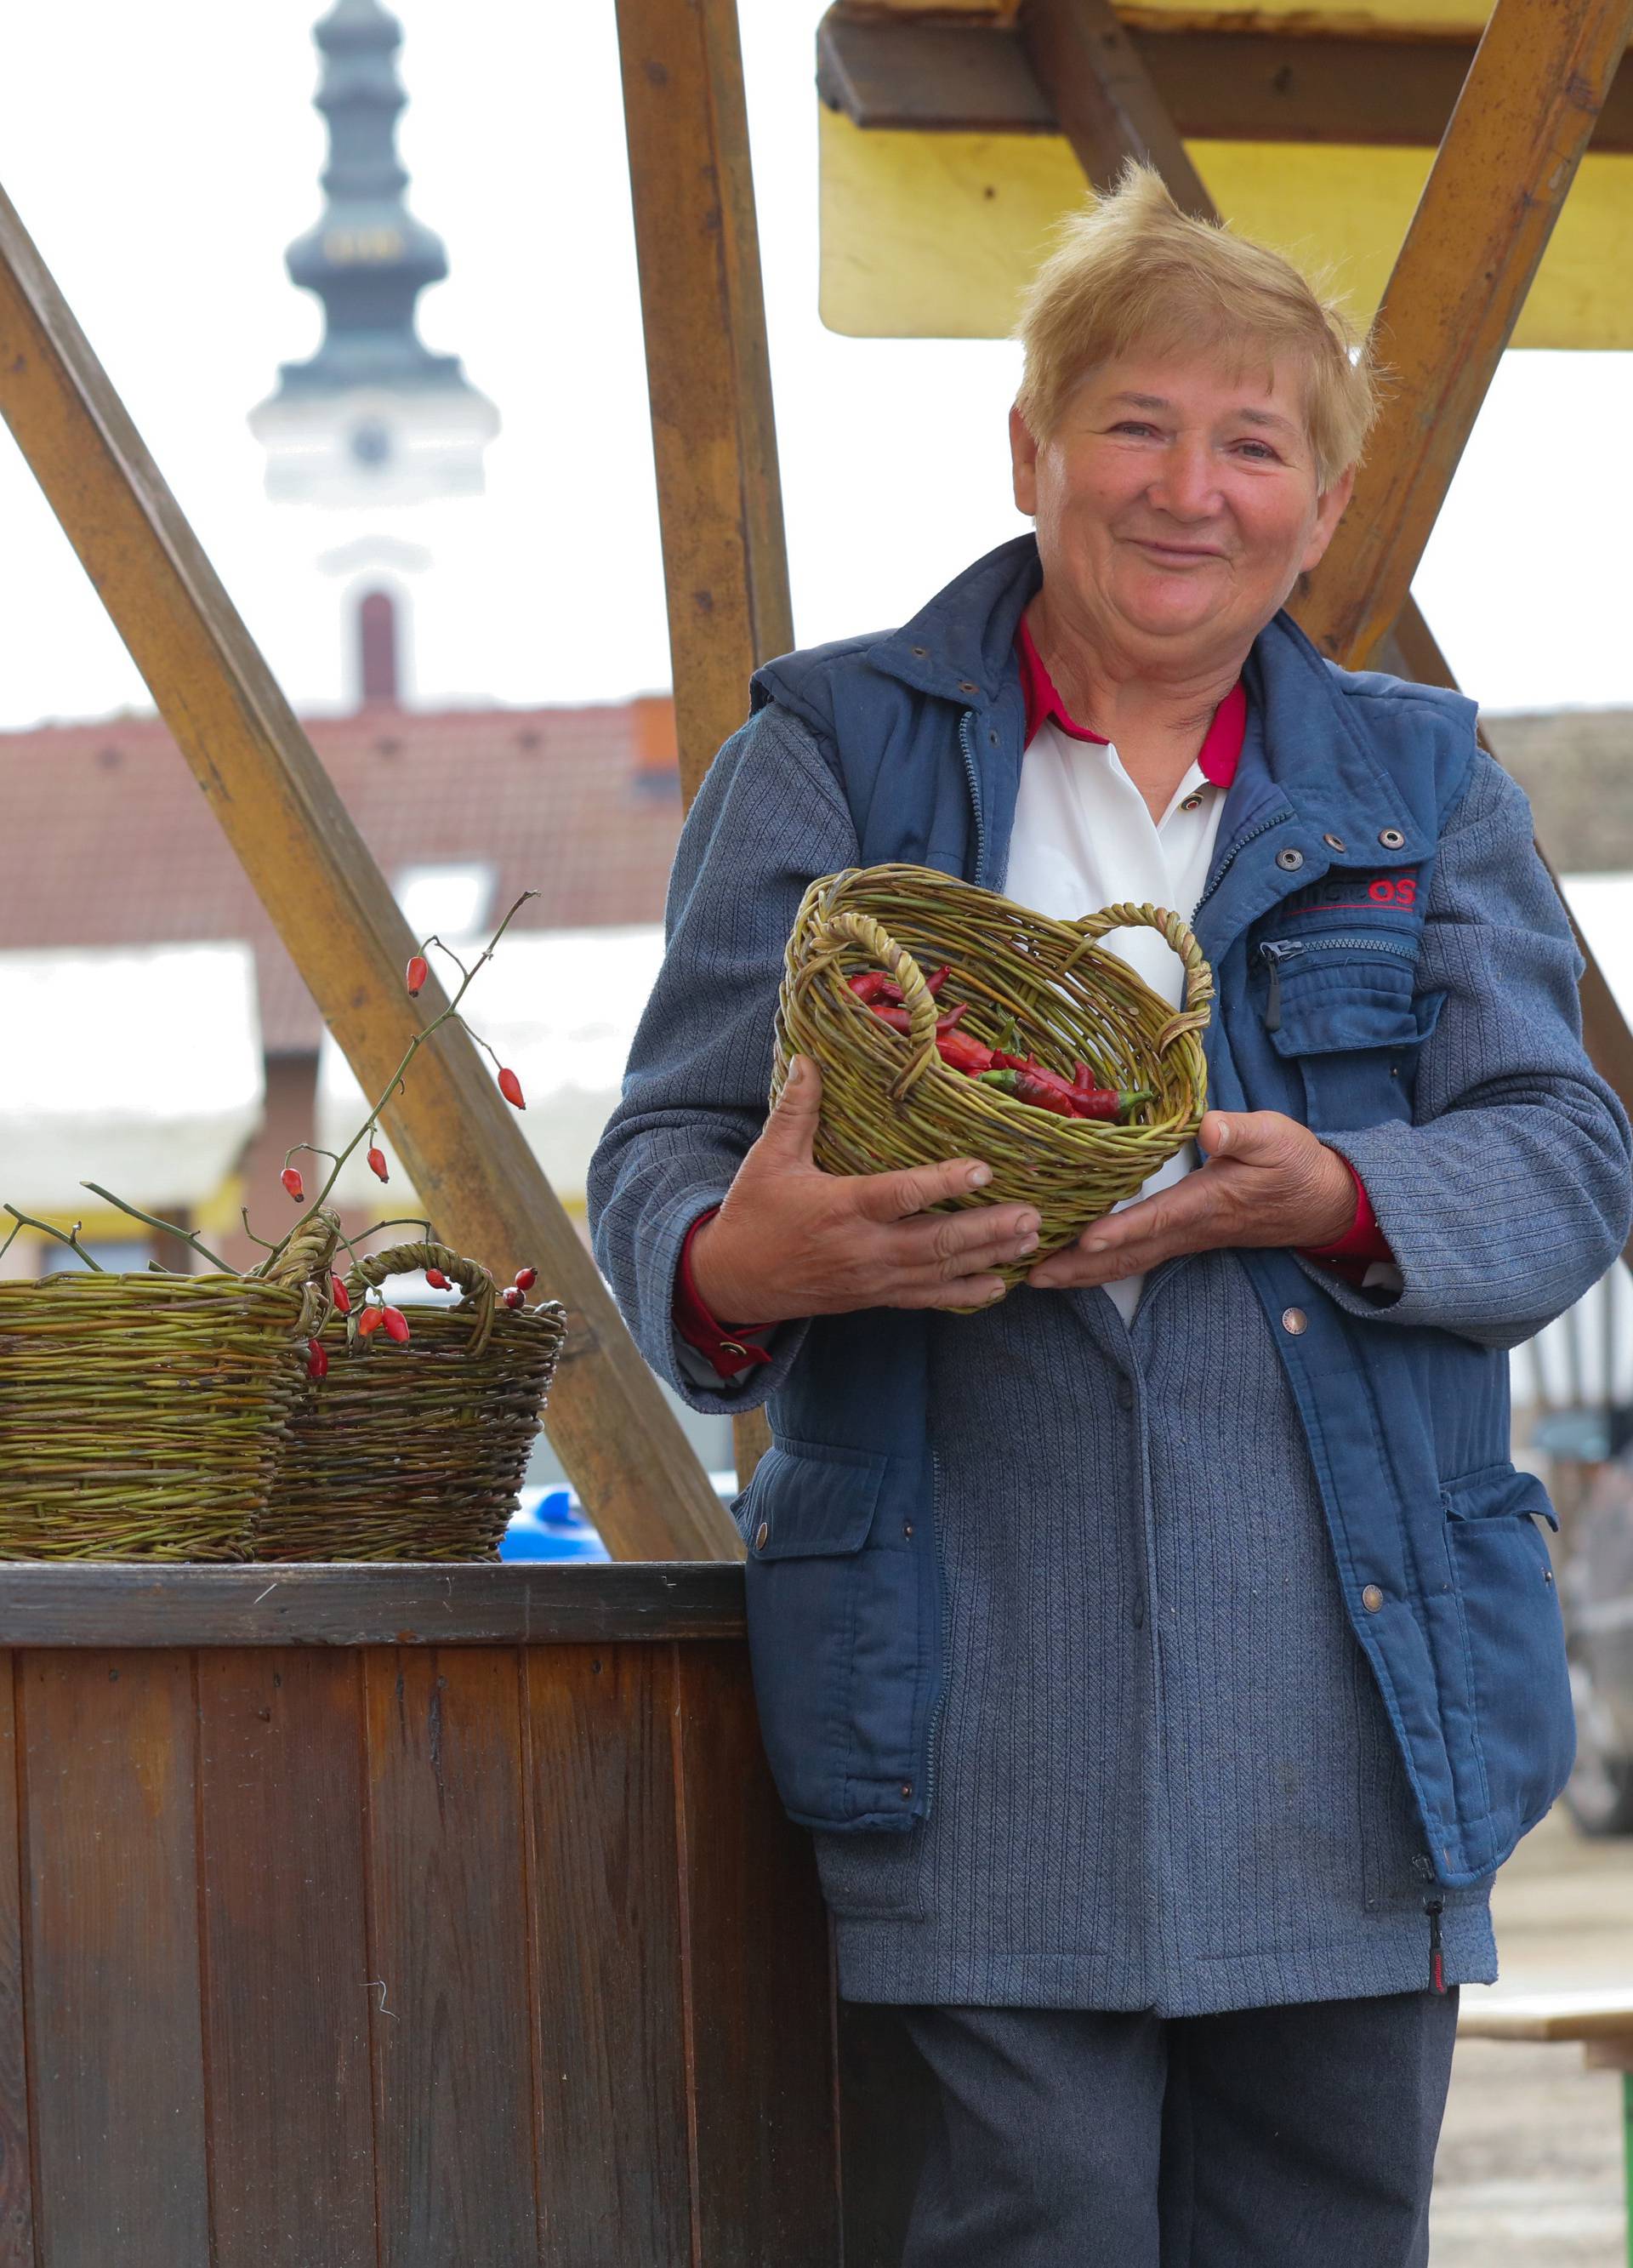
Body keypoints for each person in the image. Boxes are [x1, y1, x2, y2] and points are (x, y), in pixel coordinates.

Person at [588, 163, 1632, 2265]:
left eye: (1255, 444)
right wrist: (741, 1266)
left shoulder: (1425, 784)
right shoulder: (828, 756)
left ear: (1318, 509)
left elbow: (1566, 1152)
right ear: (1033, 450)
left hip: (1354, 1709)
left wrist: (1337, 1189)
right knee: (1017, 2226)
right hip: (972, 1716)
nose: (1190, 489)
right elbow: (659, 1165)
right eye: (1138, 426)